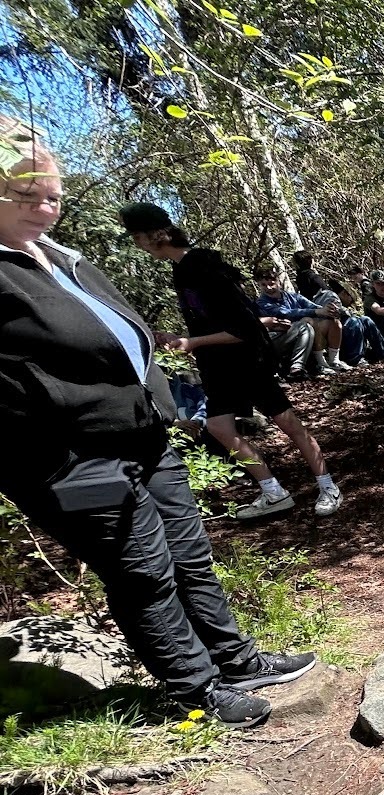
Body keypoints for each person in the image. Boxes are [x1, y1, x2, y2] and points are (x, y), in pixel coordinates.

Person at [0, 117, 316, 727]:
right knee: (143, 571)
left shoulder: (61, 256)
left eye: (54, 194)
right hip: (73, 459)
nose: (46, 206)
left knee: (189, 553)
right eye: (26, 194)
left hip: (145, 435)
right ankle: (196, 691)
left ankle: (236, 658)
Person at [118, 202, 344, 520]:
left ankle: (328, 486)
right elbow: (217, 321)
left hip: (248, 362)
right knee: (219, 427)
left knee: (288, 424)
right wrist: (180, 337)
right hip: (220, 367)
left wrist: (192, 342)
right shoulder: (184, 269)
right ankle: (273, 492)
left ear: (155, 235)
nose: (138, 245)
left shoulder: (200, 268)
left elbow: (242, 329)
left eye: (137, 237)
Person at [252, 266, 352, 374]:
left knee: (334, 322)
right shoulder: (262, 302)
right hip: (284, 337)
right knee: (308, 320)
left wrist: (329, 311)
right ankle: (320, 363)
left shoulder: (292, 296)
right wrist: (317, 312)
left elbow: (313, 306)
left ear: (278, 282)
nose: (268, 288)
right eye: (263, 285)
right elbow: (285, 313)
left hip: (306, 333)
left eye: (271, 284)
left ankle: (334, 361)